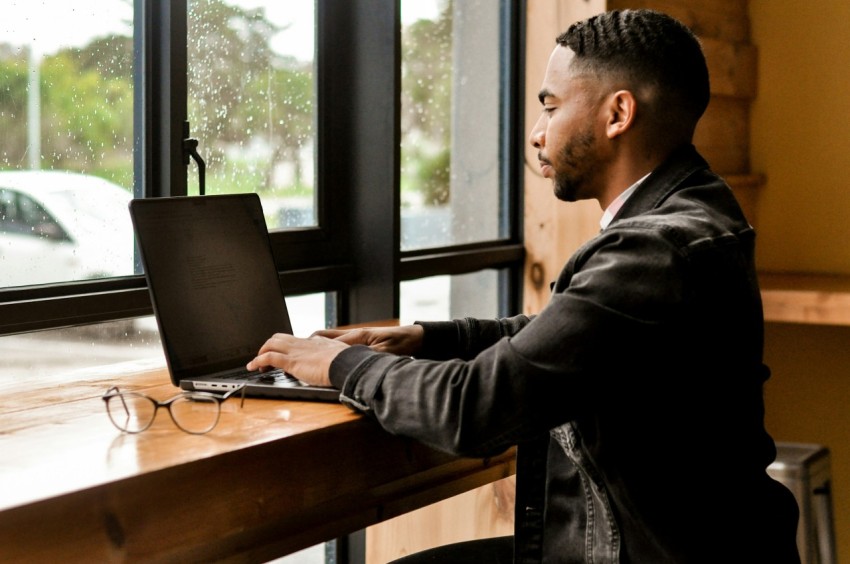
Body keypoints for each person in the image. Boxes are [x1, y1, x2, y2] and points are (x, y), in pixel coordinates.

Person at [248, 9, 801, 563]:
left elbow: (473, 409)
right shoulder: (696, 209)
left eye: (551, 106)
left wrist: (336, 365)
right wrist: (427, 337)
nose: (537, 133)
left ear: (618, 114)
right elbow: (570, 335)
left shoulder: (651, 252)